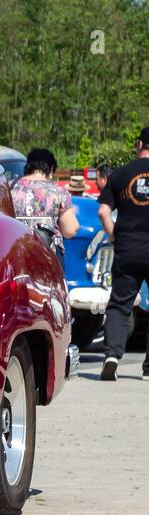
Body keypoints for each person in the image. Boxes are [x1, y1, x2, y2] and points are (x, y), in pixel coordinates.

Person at [96, 126, 149, 380]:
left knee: (119, 305)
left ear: (140, 144)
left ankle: (112, 355)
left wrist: (114, 235)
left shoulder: (120, 175)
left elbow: (103, 212)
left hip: (128, 247)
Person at [10, 147, 78, 239]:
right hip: (46, 251)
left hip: (15, 248)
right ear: (51, 169)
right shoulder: (59, 192)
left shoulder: (9, 187)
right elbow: (70, 230)